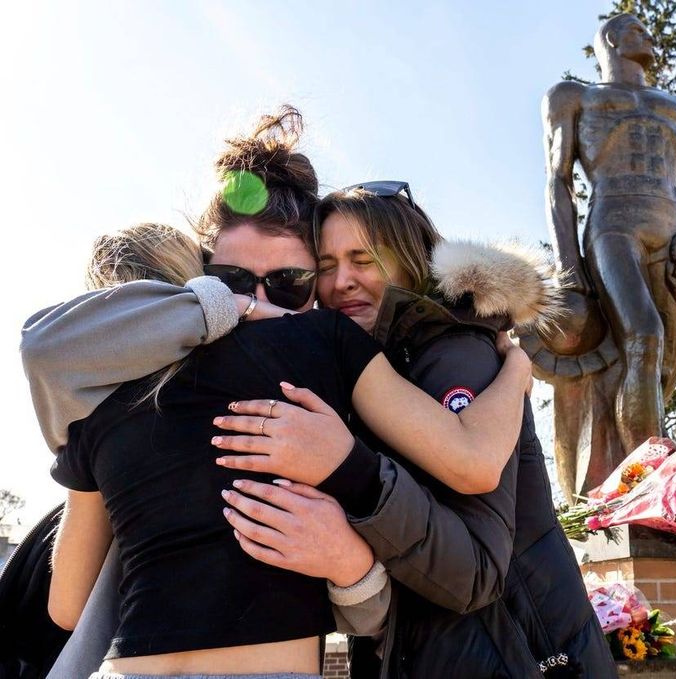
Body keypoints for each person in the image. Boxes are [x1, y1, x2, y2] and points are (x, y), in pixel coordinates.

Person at [22, 121, 615, 676]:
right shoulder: (314, 355)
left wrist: (511, 370)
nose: (262, 304)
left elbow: (467, 545)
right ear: (199, 283)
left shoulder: (412, 357)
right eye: (232, 285)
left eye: (289, 284)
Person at [535, 12, 676, 497]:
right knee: (643, 335)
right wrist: (570, 274)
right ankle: (655, 485)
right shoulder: (574, 97)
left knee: (663, 371)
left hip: (672, 243)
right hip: (613, 228)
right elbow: (559, 183)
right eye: (636, 29)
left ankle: (631, 476)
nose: (649, 36)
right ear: (611, 39)